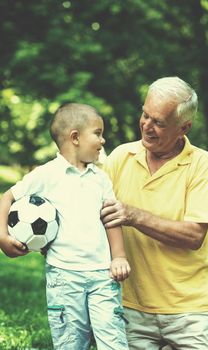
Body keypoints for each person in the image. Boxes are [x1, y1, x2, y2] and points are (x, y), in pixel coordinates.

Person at [101, 77, 208, 350]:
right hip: (130, 308)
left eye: (158, 122)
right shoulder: (120, 157)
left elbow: (195, 235)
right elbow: (90, 213)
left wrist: (133, 215)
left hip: (189, 310)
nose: (146, 126)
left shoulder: (200, 164)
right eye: (145, 115)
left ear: (184, 127)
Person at [0, 103, 131, 350]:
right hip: (64, 277)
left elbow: (111, 218)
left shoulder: (100, 179)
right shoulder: (46, 175)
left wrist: (119, 256)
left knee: (114, 341)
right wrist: (2, 237)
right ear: (75, 137)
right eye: (98, 133)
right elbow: (6, 198)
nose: (103, 141)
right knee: (70, 342)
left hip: (103, 276)